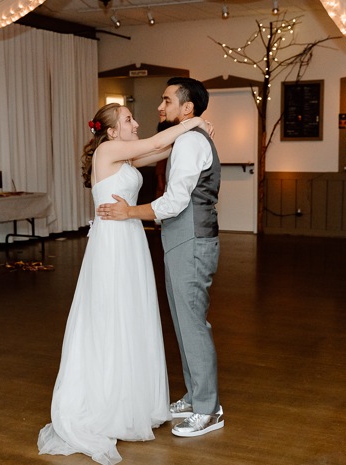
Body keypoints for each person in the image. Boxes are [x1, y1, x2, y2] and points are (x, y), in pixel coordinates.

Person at [37, 103, 209, 465]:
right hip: (113, 244)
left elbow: (161, 149)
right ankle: (110, 403)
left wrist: (193, 134)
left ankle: (134, 401)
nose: (137, 122)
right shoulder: (108, 149)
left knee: (132, 316)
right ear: (112, 131)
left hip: (129, 239)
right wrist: (192, 121)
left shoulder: (124, 158)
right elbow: (157, 141)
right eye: (129, 119)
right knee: (113, 317)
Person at [96, 77, 223, 438]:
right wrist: (191, 125)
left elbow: (175, 201)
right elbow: (150, 149)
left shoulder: (191, 142)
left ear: (187, 108)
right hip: (180, 241)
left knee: (193, 324)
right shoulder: (183, 139)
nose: (159, 106)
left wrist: (130, 212)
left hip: (192, 241)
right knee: (184, 323)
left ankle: (208, 409)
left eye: (167, 100)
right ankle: (196, 395)